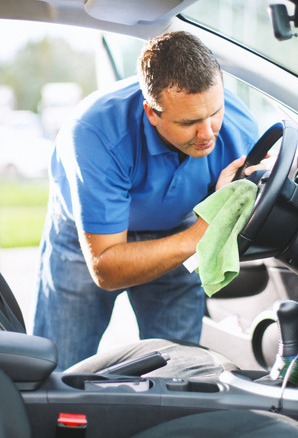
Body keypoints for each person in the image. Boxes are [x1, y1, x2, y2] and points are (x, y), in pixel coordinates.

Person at [33, 31, 261, 370]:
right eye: (188, 122)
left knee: (179, 372)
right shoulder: (95, 134)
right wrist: (201, 234)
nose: (208, 133)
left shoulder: (239, 130)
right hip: (90, 238)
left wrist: (245, 191)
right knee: (60, 370)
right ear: (151, 113)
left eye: (214, 112)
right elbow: (106, 268)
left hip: (179, 224)